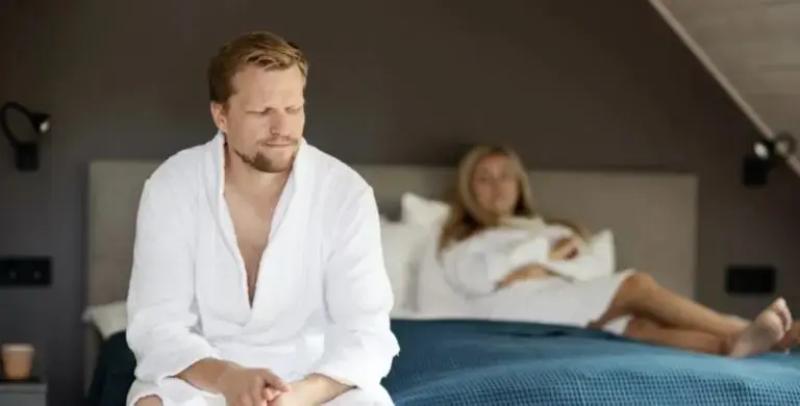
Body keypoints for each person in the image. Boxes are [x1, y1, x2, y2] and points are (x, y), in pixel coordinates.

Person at [126, 31, 399, 406]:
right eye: (261, 112)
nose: (282, 129)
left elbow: (366, 332)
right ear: (221, 115)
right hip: (202, 376)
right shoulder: (172, 186)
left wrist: (294, 398)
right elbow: (157, 327)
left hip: (310, 381)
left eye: (293, 109)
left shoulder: (346, 194)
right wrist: (228, 379)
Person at [420, 144, 798, 357]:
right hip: (511, 310)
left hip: (562, 296)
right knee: (635, 286)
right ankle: (754, 331)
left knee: (640, 327)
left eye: (505, 176)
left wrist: (540, 269)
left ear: (519, 183)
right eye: (483, 179)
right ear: (469, 188)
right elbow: (478, 279)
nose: (496, 187)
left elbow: (594, 267)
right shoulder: (462, 239)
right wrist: (549, 259)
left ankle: (729, 344)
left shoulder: (551, 229)